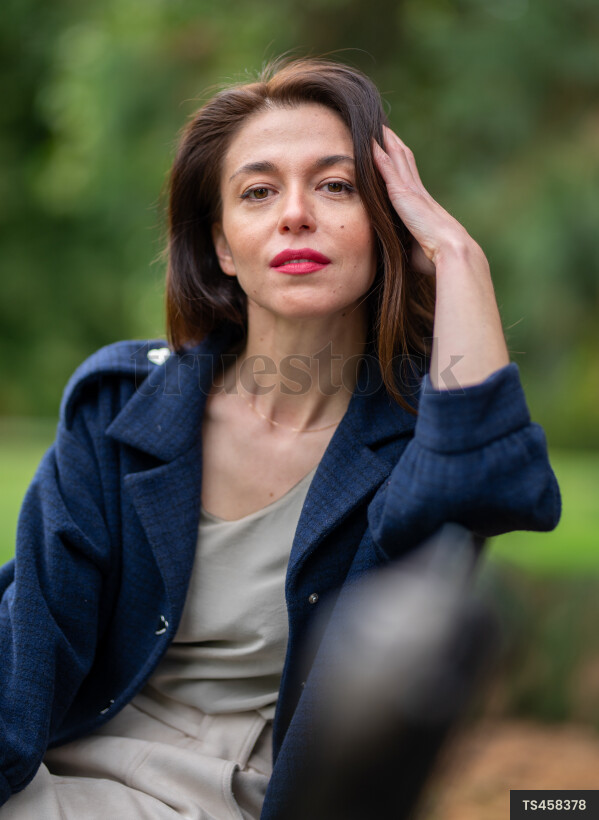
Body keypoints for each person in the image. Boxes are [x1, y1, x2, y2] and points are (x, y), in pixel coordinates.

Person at [0, 57, 560, 819]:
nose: (294, 214)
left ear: (387, 223)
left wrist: (457, 256)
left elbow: (490, 490)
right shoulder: (120, 405)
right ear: (224, 247)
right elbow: (33, 634)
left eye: (335, 187)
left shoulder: (415, 445)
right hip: (51, 778)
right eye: (257, 192)